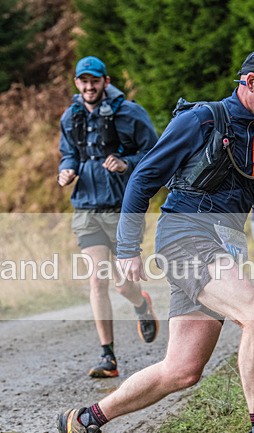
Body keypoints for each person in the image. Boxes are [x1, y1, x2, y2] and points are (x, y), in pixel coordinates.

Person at [57, 46, 254, 433]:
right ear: (251, 82)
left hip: (226, 245)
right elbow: (143, 178)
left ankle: (86, 420)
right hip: (186, 237)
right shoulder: (201, 120)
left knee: (182, 371)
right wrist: (126, 248)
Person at [57, 56, 160, 379]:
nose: (89, 87)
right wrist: (66, 170)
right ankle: (108, 356)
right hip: (86, 206)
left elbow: (156, 151)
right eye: (83, 81)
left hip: (121, 206)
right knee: (97, 280)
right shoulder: (70, 116)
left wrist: (126, 163)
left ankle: (141, 304)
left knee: (121, 286)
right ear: (77, 83)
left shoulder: (129, 112)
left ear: (105, 81)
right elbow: (69, 152)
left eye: (94, 81)